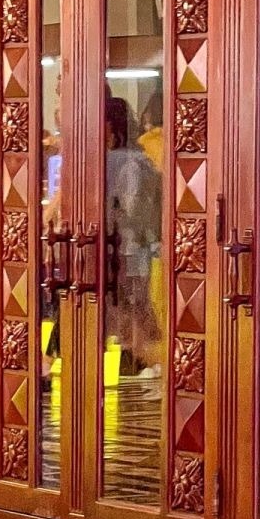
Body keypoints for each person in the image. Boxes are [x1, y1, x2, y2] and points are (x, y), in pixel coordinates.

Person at [105, 96, 162, 374]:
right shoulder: (141, 158)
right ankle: (139, 357)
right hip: (133, 243)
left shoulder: (126, 161)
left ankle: (152, 358)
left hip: (127, 243)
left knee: (133, 302)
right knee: (131, 301)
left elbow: (131, 206)